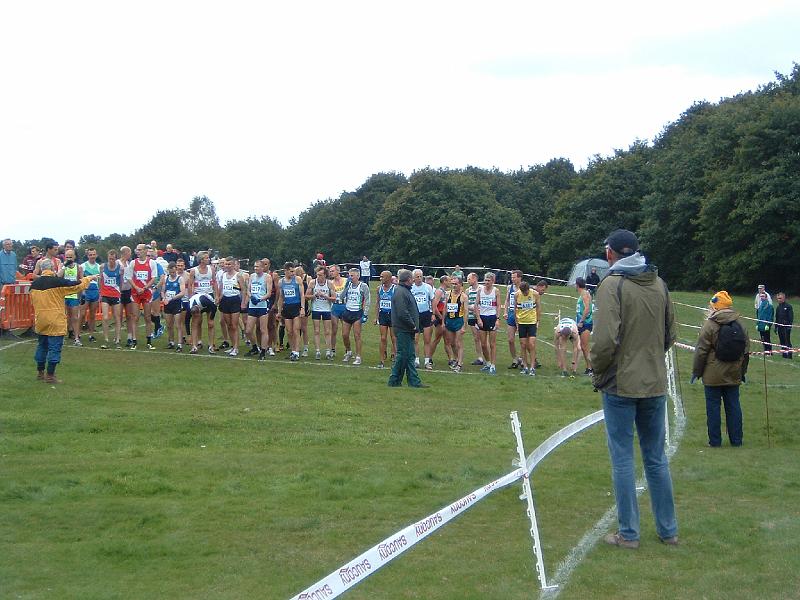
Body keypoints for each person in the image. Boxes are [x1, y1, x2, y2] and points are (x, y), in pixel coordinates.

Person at [590, 228, 678, 549]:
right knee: (656, 458)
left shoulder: (611, 285)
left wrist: (598, 371)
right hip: (654, 383)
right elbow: (670, 335)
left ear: (610, 254)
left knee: (623, 459)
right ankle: (669, 531)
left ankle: (629, 534)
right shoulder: (659, 284)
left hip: (620, 384)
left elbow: (602, 342)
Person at [691, 291, 749, 447]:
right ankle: (737, 441)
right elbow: (746, 351)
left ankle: (715, 442)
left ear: (715, 307)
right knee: (734, 406)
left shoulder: (709, 325)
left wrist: (696, 372)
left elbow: (701, 351)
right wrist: (742, 372)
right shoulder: (741, 324)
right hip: (734, 372)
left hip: (712, 375)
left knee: (713, 409)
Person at [30, 259, 95, 383]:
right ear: (53, 268)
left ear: (42, 269)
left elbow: (32, 302)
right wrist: (88, 279)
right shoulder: (58, 282)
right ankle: (50, 375)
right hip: (55, 319)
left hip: (41, 319)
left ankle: (40, 372)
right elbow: (76, 285)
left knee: (42, 346)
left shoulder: (34, 285)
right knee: (55, 347)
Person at [388, 269, 426, 388]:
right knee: (402, 355)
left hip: (406, 328)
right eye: (412, 278)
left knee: (409, 356)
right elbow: (402, 312)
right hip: (403, 328)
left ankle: (414, 381)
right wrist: (413, 325)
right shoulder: (401, 292)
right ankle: (394, 380)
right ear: (409, 279)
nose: (414, 280)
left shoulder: (404, 291)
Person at [340, 268, 370, 365]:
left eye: (352, 275)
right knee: (344, 335)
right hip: (347, 312)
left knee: (357, 335)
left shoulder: (363, 286)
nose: (350, 277)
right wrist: (345, 287)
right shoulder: (348, 285)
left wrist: (365, 314)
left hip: (357, 313)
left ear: (358, 276)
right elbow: (341, 297)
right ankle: (348, 351)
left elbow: (368, 300)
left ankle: (358, 356)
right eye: (349, 275)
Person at [218, 257, 247, 357]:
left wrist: (243, 303)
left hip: (235, 300)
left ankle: (236, 347)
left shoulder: (238, 276)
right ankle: (232, 345)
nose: (227, 266)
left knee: (234, 325)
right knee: (229, 325)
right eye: (226, 264)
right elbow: (221, 288)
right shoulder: (223, 275)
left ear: (234, 265)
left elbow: (243, 290)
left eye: (229, 264)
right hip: (225, 300)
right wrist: (219, 298)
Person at [277, 262, 305, 361]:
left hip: (296, 307)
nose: (293, 273)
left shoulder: (297, 280)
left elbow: (302, 295)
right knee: (289, 331)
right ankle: (292, 351)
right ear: (285, 271)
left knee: (296, 330)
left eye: (294, 271)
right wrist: (279, 311)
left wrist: (302, 308)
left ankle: (296, 351)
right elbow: (281, 297)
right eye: (291, 271)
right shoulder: (281, 282)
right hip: (287, 307)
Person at [306, 265, 335, 360]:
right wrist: (314, 295)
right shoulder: (312, 283)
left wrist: (325, 296)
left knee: (327, 331)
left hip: (326, 309)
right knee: (316, 331)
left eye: (321, 275)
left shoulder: (329, 284)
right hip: (316, 309)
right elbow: (306, 296)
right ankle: (317, 351)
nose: (319, 277)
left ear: (325, 275)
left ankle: (328, 351)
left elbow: (334, 299)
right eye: (318, 275)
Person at [58, 248, 84, 345]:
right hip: (63, 294)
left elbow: (81, 281)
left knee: (75, 317)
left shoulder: (79, 267)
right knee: (63, 316)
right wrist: (64, 267)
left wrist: (82, 294)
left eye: (71, 257)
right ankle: (62, 336)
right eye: (67, 257)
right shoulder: (62, 265)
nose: (69, 259)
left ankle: (76, 338)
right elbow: (58, 276)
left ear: (74, 257)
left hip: (74, 295)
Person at [474, 272, 499, 374]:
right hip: (482, 318)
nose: (487, 282)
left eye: (489, 280)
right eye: (486, 280)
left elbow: (498, 306)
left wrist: (497, 319)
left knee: (492, 344)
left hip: (492, 317)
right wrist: (478, 318)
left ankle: (493, 365)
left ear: (493, 281)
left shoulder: (496, 291)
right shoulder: (480, 290)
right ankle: (488, 362)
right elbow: (476, 305)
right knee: (483, 344)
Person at [514, 280, 540, 376]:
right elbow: (515, 309)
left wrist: (538, 321)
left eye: (526, 292)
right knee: (523, 345)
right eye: (523, 292)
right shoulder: (517, 295)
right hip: (522, 323)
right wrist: (516, 323)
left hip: (532, 322)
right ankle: (525, 366)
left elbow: (538, 308)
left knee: (531, 344)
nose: (525, 294)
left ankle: (532, 367)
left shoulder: (535, 294)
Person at [99, 250, 124, 349]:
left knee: (117, 317)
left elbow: (121, 281)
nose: (111, 260)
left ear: (116, 258)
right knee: (105, 317)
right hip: (105, 294)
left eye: (113, 259)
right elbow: (100, 280)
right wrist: (100, 292)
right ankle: (106, 339)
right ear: (107, 257)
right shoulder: (102, 267)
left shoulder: (120, 268)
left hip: (115, 294)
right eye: (110, 258)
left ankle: (117, 339)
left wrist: (120, 292)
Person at [410, 269, 435, 369]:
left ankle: (427, 361)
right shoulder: (411, 288)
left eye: (420, 276)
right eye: (417, 276)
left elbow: (433, 300)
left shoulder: (427, 287)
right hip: (415, 315)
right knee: (415, 339)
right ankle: (416, 360)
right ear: (413, 278)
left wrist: (433, 313)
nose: (419, 278)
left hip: (426, 314)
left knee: (427, 339)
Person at [443, 276, 468, 372]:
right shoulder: (448, 294)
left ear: (461, 285)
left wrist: (464, 326)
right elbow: (445, 307)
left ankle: (460, 364)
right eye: (452, 284)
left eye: (456, 284)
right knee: (452, 343)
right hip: (449, 320)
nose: (454, 286)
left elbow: (466, 312)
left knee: (458, 343)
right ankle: (456, 359)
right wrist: (443, 322)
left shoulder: (463, 296)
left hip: (458, 320)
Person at [161, 261, 187, 350]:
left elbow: (182, 292)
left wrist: (172, 298)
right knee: (169, 324)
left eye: (174, 272)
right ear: (168, 271)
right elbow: (162, 290)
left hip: (176, 303)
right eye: (171, 272)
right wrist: (163, 298)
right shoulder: (166, 278)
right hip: (167, 304)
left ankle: (179, 344)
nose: (172, 274)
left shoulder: (180, 279)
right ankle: (171, 341)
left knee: (178, 325)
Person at [375, 270, 397, 368]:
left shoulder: (395, 289)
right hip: (383, 314)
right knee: (383, 338)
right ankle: (381, 359)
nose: (381, 279)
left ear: (388, 278)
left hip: (392, 315)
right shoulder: (379, 289)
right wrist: (376, 317)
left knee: (394, 338)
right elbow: (377, 303)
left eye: (382, 277)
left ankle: (396, 358)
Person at [80, 248, 101, 342]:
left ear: (96, 255)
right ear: (87, 256)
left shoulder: (99, 267)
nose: (92, 256)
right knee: (82, 313)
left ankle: (91, 335)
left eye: (94, 254)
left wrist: (100, 292)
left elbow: (100, 281)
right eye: (90, 255)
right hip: (86, 291)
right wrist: (83, 291)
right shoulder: (83, 266)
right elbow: (81, 280)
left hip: (95, 291)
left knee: (92, 315)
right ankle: (78, 333)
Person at [504, 270, 523, 369]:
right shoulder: (510, 287)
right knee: (510, 340)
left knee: (523, 340)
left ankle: (522, 358)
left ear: (519, 278)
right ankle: (514, 359)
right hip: (511, 314)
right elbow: (507, 300)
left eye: (514, 277)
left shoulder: (524, 287)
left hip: (522, 315)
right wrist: (505, 312)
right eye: (512, 277)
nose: (512, 279)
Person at [575, 277, 594, 374]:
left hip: (586, 323)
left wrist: (582, 321)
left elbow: (587, 309)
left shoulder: (585, 294)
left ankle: (591, 368)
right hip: (581, 323)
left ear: (577, 285)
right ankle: (588, 367)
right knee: (582, 346)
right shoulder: (582, 294)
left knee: (585, 346)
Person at [465, 272, 484, 366]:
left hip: (480, 316)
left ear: (475, 279)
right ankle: (480, 358)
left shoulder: (481, 289)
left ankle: (487, 357)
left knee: (483, 338)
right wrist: (470, 307)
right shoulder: (467, 290)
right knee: (476, 338)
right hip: (472, 316)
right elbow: (465, 303)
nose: (467, 281)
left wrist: (477, 308)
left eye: (469, 279)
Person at [775, 292, 794, 359]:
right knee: (782, 341)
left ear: (784, 298)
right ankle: (784, 355)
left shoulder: (788, 306)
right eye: (778, 298)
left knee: (787, 341)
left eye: (780, 298)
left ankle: (789, 355)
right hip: (780, 327)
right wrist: (776, 327)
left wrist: (789, 326)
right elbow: (777, 317)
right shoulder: (778, 307)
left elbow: (791, 317)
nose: (779, 300)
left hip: (786, 327)